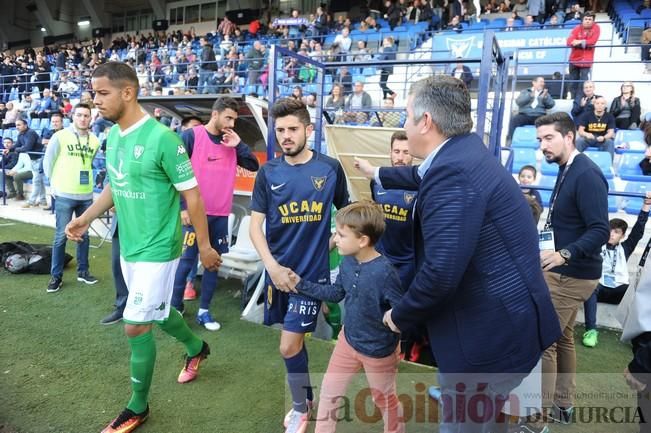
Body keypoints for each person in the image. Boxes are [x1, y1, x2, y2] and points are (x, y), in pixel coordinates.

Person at [354, 75, 561, 432]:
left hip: (489, 342)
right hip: (509, 327)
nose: (404, 124)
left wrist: (399, 316)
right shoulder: (463, 151)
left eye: (406, 115)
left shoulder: (453, 175)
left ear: (426, 122)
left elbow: (440, 273)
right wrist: (379, 174)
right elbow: (423, 173)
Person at [64, 62, 222, 433]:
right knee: (160, 312)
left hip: (159, 247)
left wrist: (204, 246)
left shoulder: (163, 139)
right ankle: (198, 348)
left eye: (103, 93)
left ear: (127, 92)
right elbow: (115, 185)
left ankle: (138, 407)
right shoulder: (115, 137)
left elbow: (193, 196)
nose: (96, 101)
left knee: (136, 326)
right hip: (130, 245)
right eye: (94, 93)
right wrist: (86, 217)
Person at [249, 98, 349, 433]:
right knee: (295, 342)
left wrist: (334, 239)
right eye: (280, 130)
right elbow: (254, 226)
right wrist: (272, 268)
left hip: (311, 276)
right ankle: (305, 396)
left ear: (308, 129)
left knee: (288, 344)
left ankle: (299, 410)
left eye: (293, 129)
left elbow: (346, 213)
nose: (286, 136)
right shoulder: (268, 172)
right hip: (277, 274)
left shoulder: (330, 169)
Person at [285, 201, 405, 433]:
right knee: (329, 394)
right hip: (347, 342)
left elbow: (402, 312)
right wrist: (300, 284)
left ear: (362, 240)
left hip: (378, 352)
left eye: (340, 234)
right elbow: (336, 292)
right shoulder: (348, 260)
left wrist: (397, 336)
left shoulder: (386, 273)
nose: (335, 239)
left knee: (384, 400)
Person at [533, 112, 609, 431]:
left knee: (543, 342)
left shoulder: (587, 174)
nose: (543, 147)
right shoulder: (567, 169)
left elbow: (600, 230)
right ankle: (564, 405)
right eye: (539, 141)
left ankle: (538, 420)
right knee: (563, 339)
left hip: (572, 273)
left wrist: (564, 254)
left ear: (569, 137)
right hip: (568, 270)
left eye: (549, 138)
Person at [170, 98, 259, 331]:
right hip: (193, 212)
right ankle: (175, 308)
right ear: (215, 114)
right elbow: (173, 172)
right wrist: (182, 207)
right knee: (186, 261)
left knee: (213, 263)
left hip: (220, 215)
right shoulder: (191, 136)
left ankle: (204, 312)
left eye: (234, 120)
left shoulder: (231, 142)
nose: (231, 123)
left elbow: (253, 166)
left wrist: (238, 144)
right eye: (228, 118)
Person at [370, 131, 422, 362]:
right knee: (377, 305)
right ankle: (376, 349)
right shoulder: (377, 181)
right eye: (396, 151)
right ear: (390, 152)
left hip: (408, 261)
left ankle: (405, 351)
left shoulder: (421, 184)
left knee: (402, 311)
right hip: (382, 257)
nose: (400, 157)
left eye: (405, 152)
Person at [43, 103, 100, 293]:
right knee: (61, 236)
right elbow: (48, 161)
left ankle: (83, 272)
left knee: (84, 235)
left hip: (86, 195)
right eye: (80, 115)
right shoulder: (60, 136)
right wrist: (53, 186)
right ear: (73, 117)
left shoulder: (95, 140)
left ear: (90, 118)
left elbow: (89, 163)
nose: (83, 118)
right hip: (64, 194)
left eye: (86, 115)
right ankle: (56, 276)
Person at [582, 196, 651, 348]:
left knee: (637, 292)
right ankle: (591, 330)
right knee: (590, 288)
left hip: (618, 289)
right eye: (610, 230)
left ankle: (638, 336)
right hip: (599, 286)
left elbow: (638, 231)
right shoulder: (595, 244)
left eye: (616, 232)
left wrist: (646, 206)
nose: (611, 234)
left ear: (622, 235)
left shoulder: (625, 248)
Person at [507, 77, 555, 143]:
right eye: (541, 82)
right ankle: (512, 141)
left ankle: (547, 143)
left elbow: (551, 105)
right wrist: (529, 96)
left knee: (549, 123)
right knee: (514, 120)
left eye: (543, 82)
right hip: (525, 115)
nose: (543, 84)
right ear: (534, 83)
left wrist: (545, 98)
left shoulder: (545, 93)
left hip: (539, 115)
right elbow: (519, 102)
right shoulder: (525, 91)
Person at [13, 117, 46, 208]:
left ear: (25, 125)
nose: (17, 127)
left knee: (36, 180)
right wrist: (8, 149)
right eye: (16, 125)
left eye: (19, 125)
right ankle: (43, 201)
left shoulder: (30, 133)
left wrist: (16, 149)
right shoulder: (21, 134)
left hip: (40, 158)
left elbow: (27, 147)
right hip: (34, 159)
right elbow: (17, 145)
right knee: (39, 181)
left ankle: (31, 202)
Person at [566, 12, 600, 100]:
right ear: (582, 20)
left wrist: (579, 42)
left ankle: (582, 100)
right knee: (573, 82)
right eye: (586, 19)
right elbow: (569, 42)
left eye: (590, 19)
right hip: (574, 59)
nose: (588, 21)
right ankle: (574, 100)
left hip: (586, 61)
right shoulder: (577, 28)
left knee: (584, 83)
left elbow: (592, 41)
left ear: (593, 21)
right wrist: (584, 42)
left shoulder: (596, 28)